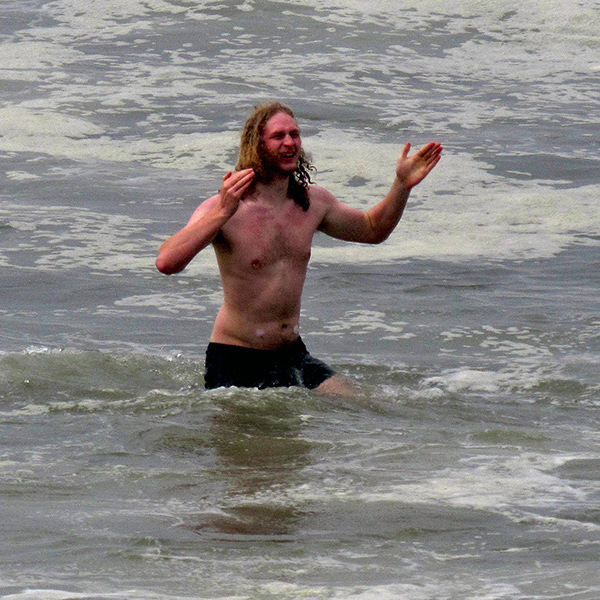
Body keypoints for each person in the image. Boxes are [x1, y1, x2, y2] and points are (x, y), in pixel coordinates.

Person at [156, 102, 442, 393]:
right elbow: (167, 262)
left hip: (292, 354)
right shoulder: (226, 209)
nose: (290, 142)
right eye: (278, 136)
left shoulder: (313, 203)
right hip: (236, 357)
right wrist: (221, 214)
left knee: (362, 402)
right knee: (251, 439)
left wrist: (401, 185)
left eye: (295, 134)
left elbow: (372, 229)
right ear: (257, 145)